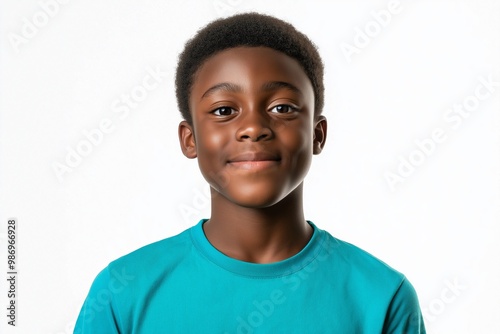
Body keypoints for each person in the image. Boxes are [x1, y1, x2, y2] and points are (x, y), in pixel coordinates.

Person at [74, 12, 426, 333]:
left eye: (282, 107)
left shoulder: (383, 298)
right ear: (190, 138)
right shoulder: (122, 292)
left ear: (317, 134)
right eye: (225, 110)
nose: (254, 127)